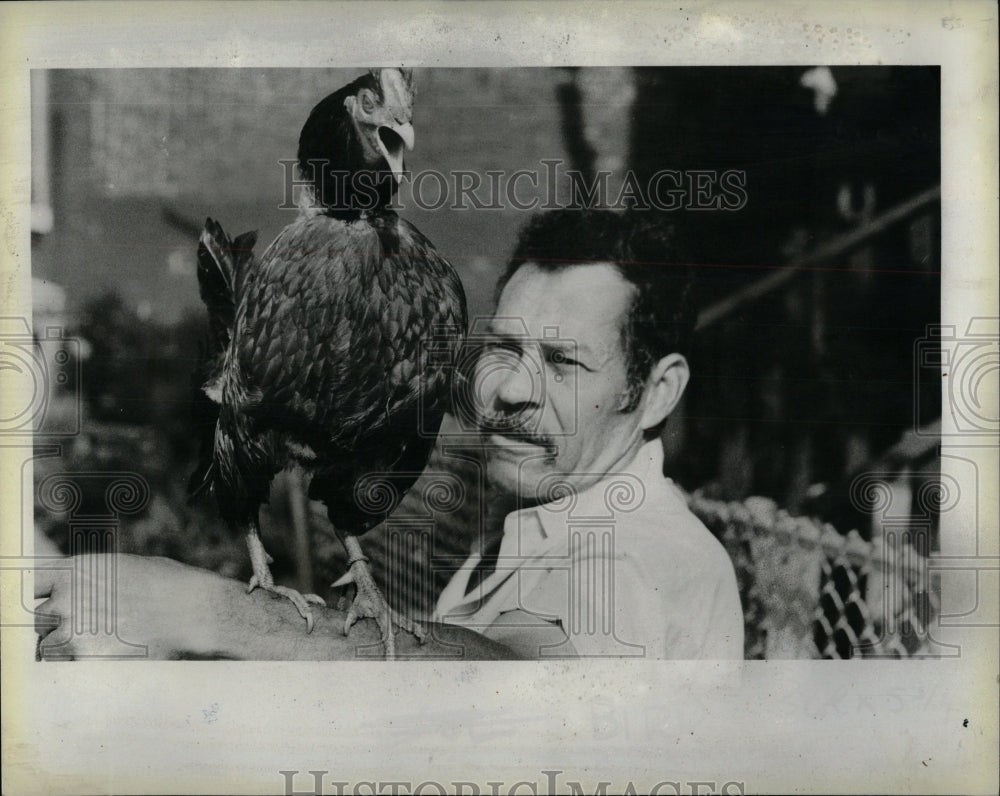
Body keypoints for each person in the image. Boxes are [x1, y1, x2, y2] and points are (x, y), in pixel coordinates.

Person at [34, 209, 743, 660]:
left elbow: (520, 691)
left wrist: (206, 614)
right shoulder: (534, 523)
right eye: (503, 347)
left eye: (564, 363)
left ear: (657, 393)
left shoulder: (640, 557)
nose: (509, 389)